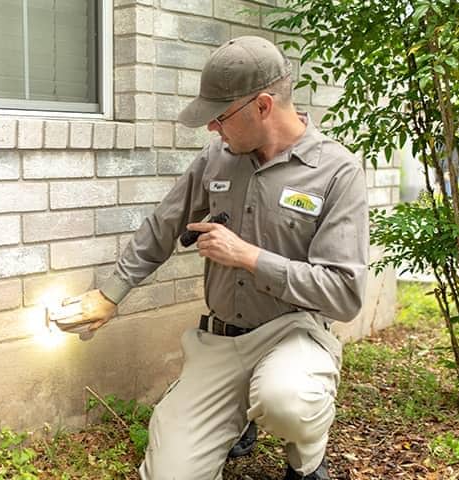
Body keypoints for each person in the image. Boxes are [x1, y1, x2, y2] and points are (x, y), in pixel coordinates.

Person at [56, 36, 368, 480]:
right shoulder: (217, 159)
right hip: (221, 342)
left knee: (287, 401)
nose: (211, 129)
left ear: (262, 106)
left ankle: (307, 460)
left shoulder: (336, 172)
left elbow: (344, 294)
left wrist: (248, 257)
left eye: (220, 117)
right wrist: (111, 294)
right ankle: (233, 413)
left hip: (294, 332)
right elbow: (164, 226)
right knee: (167, 475)